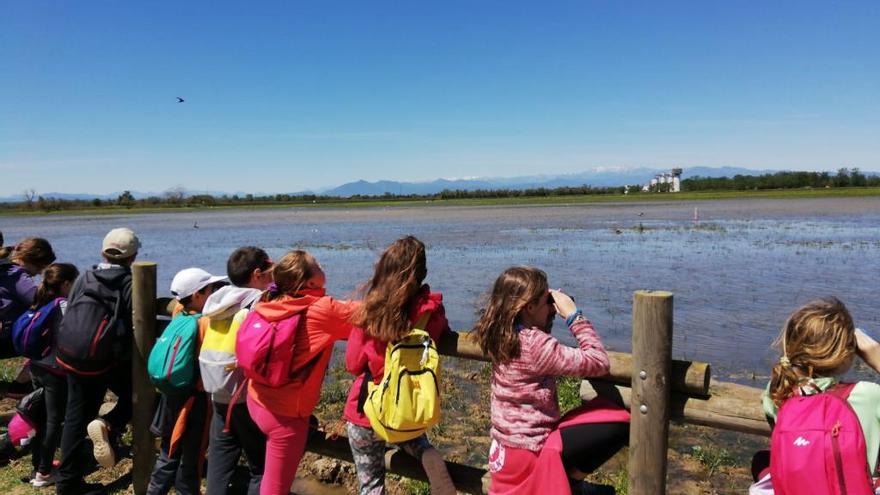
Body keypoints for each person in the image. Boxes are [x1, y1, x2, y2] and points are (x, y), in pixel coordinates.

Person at [473, 267, 630, 495]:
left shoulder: (499, 334)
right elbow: (598, 361)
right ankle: (571, 482)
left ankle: (569, 481)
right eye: (546, 300)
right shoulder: (535, 344)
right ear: (529, 307)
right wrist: (573, 315)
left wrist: (546, 312)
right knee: (619, 423)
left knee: (601, 411)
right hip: (532, 448)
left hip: (505, 447)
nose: (551, 306)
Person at [344, 236, 456, 495]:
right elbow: (438, 336)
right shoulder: (430, 311)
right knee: (409, 434)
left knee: (371, 484)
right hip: (405, 409)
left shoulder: (369, 310)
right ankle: (426, 452)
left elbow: (352, 364)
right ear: (423, 273)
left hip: (366, 412)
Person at [245, 250, 358, 495]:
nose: (321, 263)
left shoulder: (269, 299)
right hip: (285, 416)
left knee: (266, 476)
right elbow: (375, 315)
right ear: (309, 281)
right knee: (276, 488)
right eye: (316, 263)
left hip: (255, 399)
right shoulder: (322, 309)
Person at [754, 298, 880, 492]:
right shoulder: (869, 395)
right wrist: (875, 354)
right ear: (847, 354)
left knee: (762, 460)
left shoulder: (777, 390)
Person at [56, 227, 139, 495]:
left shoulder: (85, 276)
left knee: (74, 417)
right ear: (133, 256)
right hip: (102, 361)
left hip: (69, 356)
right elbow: (135, 325)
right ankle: (108, 425)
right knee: (135, 396)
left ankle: (68, 483)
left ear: (102, 252)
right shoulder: (130, 282)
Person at [147, 267, 226, 495]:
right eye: (211, 289)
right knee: (191, 455)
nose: (215, 293)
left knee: (169, 448)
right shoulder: (205, 323)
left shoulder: (179, 312)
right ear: (198, 295)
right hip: (195, 399)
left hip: (173, 396)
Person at [201, 247, 272, 495]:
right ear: (257, 274)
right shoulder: (257, 302)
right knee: (261, 468)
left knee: (219, 465)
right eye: (271, 270)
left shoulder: (219, 301)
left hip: (218, 391)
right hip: (245, 395)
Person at [26, 263, 80, 487]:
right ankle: (44, 473)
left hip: (37, 365)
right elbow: (73, 334)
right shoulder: (63, 305)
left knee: (42, 417)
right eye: (75, 281)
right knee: (53, 421)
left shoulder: (41, 300)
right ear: (66, 284)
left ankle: (39, 465)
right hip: (54, 370)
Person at [1, 237, 56, 358]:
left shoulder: (5, 268)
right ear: (28, 259)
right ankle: (40, 374)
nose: (39, 273)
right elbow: (40, 301)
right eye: (39, 268)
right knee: (49, 332)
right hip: (5, 339)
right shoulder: (16, 275)